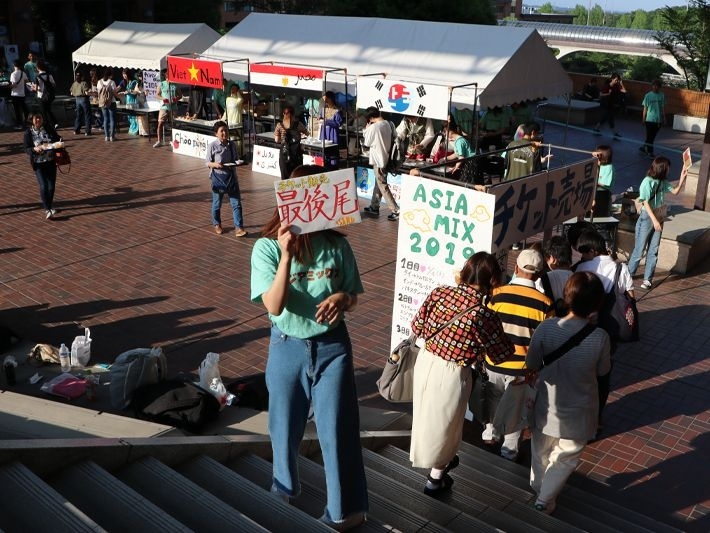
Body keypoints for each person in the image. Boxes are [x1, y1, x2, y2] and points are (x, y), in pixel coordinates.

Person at [250, 165, 369, 530]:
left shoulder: (337, 244)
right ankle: (283, 490)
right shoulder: (267, 247)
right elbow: (273, 306)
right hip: (287, 344)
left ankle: (342, 511)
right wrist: (286, 256)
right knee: (282, 425)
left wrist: (342, 298)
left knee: (337, 428)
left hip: (333, 346)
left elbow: (353, 297)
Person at [410, 252, 514, 496]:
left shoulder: (439, 293)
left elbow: (417, 327)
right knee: (447, 424)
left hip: (426, 361)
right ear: (492, 281)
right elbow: (501, 355)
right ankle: (434, 480)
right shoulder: (484, 314)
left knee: (428, 417)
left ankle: (437, 468)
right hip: (453, 372)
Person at [526, 271, 611, 515]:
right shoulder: (600, 338)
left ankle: (540, 490)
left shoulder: (547, 327)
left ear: (567, 296)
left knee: (540, 451)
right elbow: (604, 372)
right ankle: (544, 499)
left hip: (546, 405)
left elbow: (532, 363)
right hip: (580, 411)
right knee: (565, 458)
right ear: (597, 303)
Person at [484, 248, 552, 461]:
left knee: (493, 398)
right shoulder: (545, 304)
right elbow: (544, 342)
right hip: (522, 368)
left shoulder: (496, 294)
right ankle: (509, 450)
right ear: (539, 274)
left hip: (493, 361)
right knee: (516, 409)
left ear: (516, 268)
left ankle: (490, 433)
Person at [627, 156, 688, 290]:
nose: (669, 171)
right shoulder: (647, 182)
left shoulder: (662, 181)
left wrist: (682, 177)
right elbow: (645, 202)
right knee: (639, 250)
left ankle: (647, 279)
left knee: (653, 249)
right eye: (667, 168)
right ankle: (628, 275)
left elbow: (675, 191)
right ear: (662, 169)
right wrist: (654, 221)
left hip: (658, 216)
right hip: (648, 218)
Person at [205, 120, 247, 238]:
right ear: (216, 134)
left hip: (232, 177)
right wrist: (215, 165)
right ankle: (217, 224)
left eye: (226, 130)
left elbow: (235, 159)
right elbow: (207, 162)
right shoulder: (212, 146)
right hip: (218, 178)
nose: (224, 133)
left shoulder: (231, 144)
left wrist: (238, 163)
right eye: (221, 131)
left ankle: (239, 228)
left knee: (236, 203)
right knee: (217, 203)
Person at [362, 107, 399, 220]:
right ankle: (374, 206)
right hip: (386, 158)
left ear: (371, 118)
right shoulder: (388, 124)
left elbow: (367, 142)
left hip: (378, 159)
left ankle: (395, 210)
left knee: (382, 184)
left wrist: (366, 129)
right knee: (379, 183)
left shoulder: (374, 127)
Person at [23, 113, 61, 220]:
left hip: (51, 161)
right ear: (32, 120)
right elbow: (26, 148)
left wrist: (58, 143)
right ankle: (47, 209)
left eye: (40, 117)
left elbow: (57, 138)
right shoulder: (28, 133)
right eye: (36, 118)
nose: (39, 120)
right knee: (44, 185)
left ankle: (49, 206)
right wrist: (34, 149)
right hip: (38, 163)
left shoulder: (48, 128)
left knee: (51, 186)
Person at [537, 236, 574, 317]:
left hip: (550, 325)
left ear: (552, 258)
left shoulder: (543, 279)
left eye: (547, 260)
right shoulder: (579, 278)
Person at [273, 104, 307, 181]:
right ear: (294, 114)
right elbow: (307, 134)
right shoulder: (298, 124)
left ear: (283, 114)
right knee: (297, 175)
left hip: (285, 153)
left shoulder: (279, 125)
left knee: (285, 177)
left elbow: (276, 140)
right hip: (297, 154)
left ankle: (287, 192)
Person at [154, 69, 181, 148]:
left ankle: (172, 140)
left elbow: (180, 95)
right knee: (160, 123)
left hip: (173, 107)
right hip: (164, 106)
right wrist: (163, 99)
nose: (169, 74)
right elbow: (157, 95)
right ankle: (159, 140)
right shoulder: (161, 84)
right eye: (167, 73)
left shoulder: (175, 84)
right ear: (165, 75)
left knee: (173, 124)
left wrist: (176, 99)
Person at [594, 73, 626, 137]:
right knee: (610, 118)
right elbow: (600, 95)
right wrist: (608, 94)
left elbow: (624, 91)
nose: (617, 81)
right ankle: (615, 133)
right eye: (616, 80)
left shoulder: (616, 86)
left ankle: (596, 128)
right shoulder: (606, 86)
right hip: (604, 104)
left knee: (605, 118)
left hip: (611, 104)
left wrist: (621, 83)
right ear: (612, 79)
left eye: (618, 80)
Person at [640, 79, 665, 157]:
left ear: (659, 87)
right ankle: (650, 152)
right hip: (649, 119)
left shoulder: (662, 96)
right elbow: (645, 108)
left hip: (658, 120)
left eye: (657, 86)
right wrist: (643, 118)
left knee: (651, 136)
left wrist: (664, 118)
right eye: (654, 86)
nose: (655, 88)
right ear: (652, 86)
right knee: (650, 136)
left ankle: (644, 147)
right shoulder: (648, 95)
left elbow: (663, 108)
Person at [318, 91, 343, 168]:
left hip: (332, 134)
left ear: (330, 99)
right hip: (324, 133)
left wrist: (327, 121)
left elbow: (338, 123)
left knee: (332, 153)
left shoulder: (337, 111)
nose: (325, 100)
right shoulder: (323, 110)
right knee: (324, 153)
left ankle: (333, 168)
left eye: (326, 98)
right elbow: (321, 118)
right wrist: (320, 119)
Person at [34, 59, 57, 134]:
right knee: (48, 110)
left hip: (41, 96)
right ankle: (55, 123)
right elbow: (54, 84)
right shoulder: (49, 75)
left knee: (43, 112)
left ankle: (46, 126)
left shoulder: (37, 76)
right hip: (49, 96)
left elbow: (36, 88)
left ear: (38, 68)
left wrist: (32, 87)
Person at [591, 144, 614, 217]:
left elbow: (605, 184)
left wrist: (594, 182)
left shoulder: (609, 167)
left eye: (598, 154)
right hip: (595, 191)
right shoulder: (598, 164)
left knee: (599, 214)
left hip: (602, 193)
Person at [222, 84, 244, 156]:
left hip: (236, 120)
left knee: (237, 137)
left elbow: (241, 99)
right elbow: (226, 110)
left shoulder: (239, 100)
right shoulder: (228, 99)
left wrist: (237, 92)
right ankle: (231, 152)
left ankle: (238, 152)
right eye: (232, 89)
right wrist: (222, 119)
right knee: (230, 136)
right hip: (230, 120)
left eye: (235, 89)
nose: (233, 90)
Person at [97, 68, 118, 142]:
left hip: (102, 103)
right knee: (112, 119)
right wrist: (119, 96)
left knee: (105, 119)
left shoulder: (99, 82)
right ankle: (112, 136)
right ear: (110, 75)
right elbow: (115, 93)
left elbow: (98, 93)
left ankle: (106, 136)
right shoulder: (112, 82)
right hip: (111, 102)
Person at [69, 71, 91, 136]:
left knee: (79, 115)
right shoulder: (84, 83)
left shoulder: (74, 83)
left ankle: (76, 130)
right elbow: (87, 92)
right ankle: (87, 131)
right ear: (82, 77)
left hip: (77, 100)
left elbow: (71, 93)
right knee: (87, 115)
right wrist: (92, 93)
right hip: (84, 99)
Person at [119, 69, 140, 135]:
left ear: (128, 74)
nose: (124, 76)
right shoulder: (127, 82)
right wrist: (124, 92)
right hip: (128, 100)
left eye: (125, 74)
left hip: (132, 100)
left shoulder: (134, 81)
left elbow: (135, 92)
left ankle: (135, 129)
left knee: (133, 115)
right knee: (129, 115)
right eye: (123, 74)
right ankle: (132, 128)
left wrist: (129, 91)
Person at [10, 59, 29, 130]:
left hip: (15, 94)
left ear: (14, 65)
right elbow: (27, 81)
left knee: (17, 110)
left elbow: (14, 85)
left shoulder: (13, 74)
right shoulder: (23, 73)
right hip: (22, 94)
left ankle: (19, 124)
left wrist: (8, 86)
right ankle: (26, 123)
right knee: (24, 109)